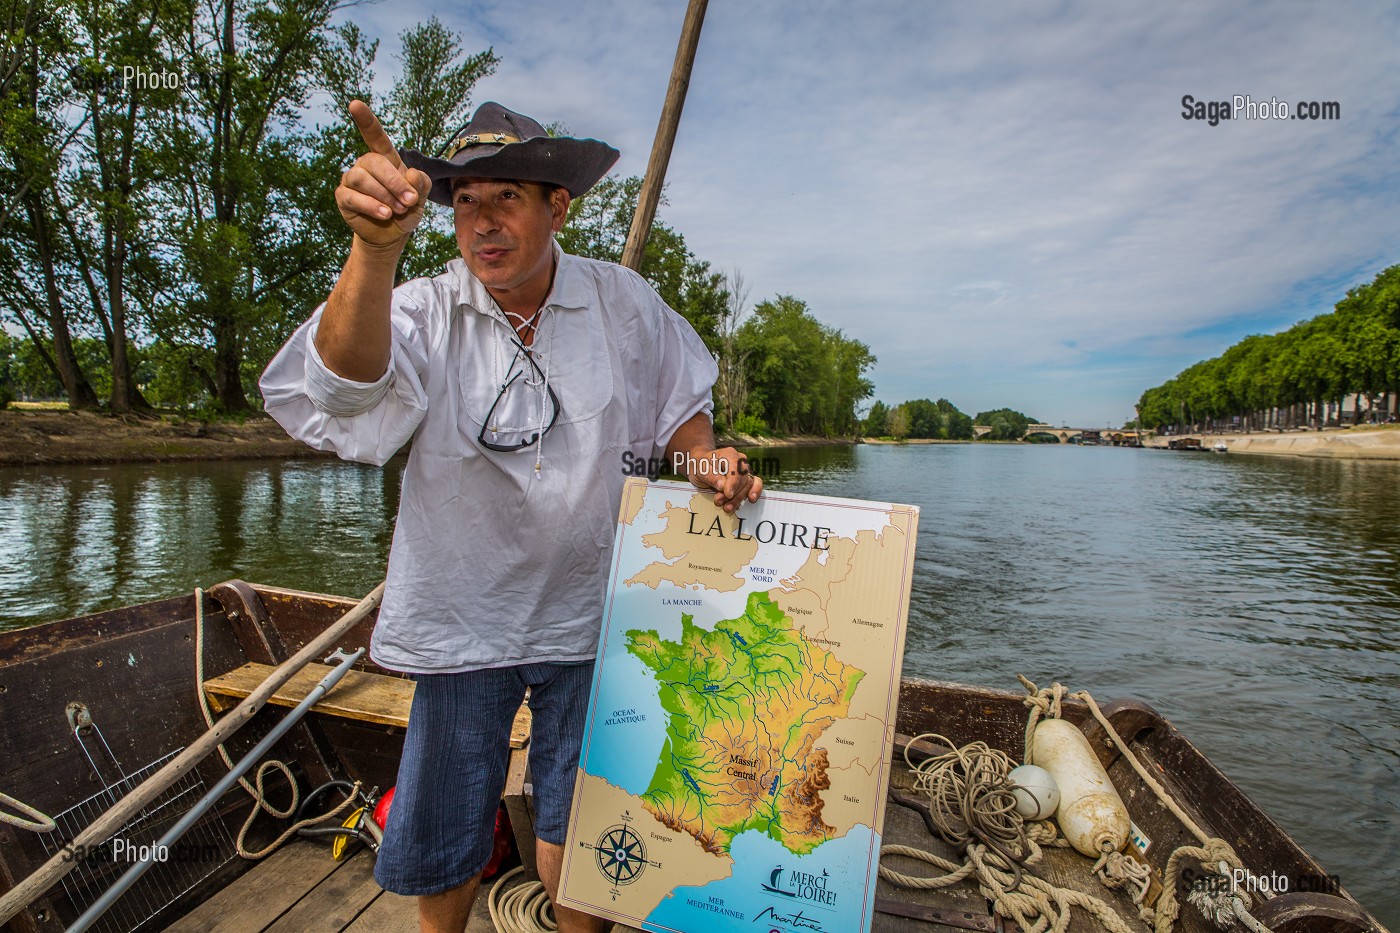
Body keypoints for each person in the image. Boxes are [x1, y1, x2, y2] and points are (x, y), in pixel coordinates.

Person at [259, 99, 762, 933]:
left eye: (505, 200)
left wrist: (704, 458)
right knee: (445, 812)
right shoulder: (421, 305)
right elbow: (344, 387)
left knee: (585, 809)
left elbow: (680, 402)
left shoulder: (623, 300)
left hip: (596, 609)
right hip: (464, 612)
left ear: (557, 207)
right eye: (464, 203)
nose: (482, 225)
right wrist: (374, 249)